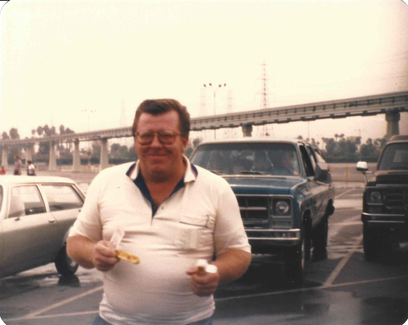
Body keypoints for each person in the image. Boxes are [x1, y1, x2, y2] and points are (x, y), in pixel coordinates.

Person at [67, 99, 252, 325]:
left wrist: (216, 271)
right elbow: (75, 242)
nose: (155, 144)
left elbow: (239, 252)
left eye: (166, 136)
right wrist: (93, 252)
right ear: (135, 140)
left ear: (184, 141)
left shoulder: (216, 188)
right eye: (146, 136)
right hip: (113, 321)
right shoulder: (106, 181)